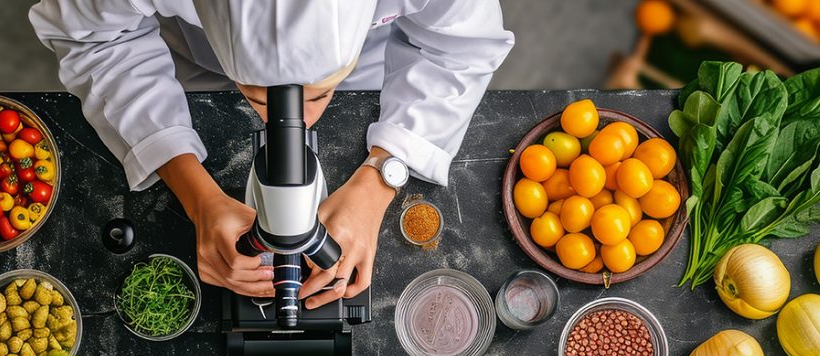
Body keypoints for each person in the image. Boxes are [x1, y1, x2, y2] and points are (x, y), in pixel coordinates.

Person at [30, 1, 513, 308]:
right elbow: (96, 40)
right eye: (263, 101)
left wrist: (380, 179)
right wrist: (197, 197)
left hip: (369, 57)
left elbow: (457, 49)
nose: (300, 118)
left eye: (318, 96)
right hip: (198, 53)